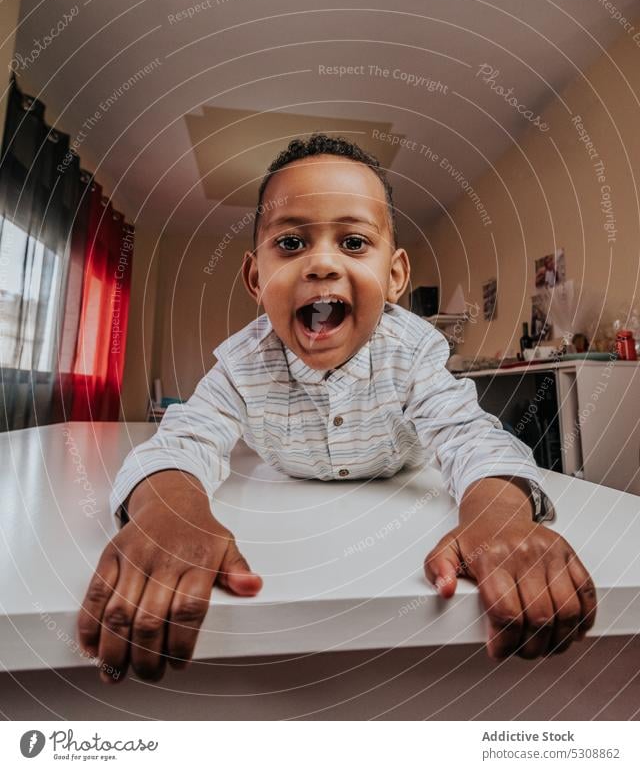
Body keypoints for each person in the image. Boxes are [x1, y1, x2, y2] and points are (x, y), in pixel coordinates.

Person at [77, 134, 596, 683]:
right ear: (257, 279)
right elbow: (187, 436)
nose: (321, 263)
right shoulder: (244, 363)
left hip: (396, 486)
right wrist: (169, 510)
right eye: (292, 243)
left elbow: (469, 435)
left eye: (352, 243)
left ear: (393, 277)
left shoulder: (411, 354)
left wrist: (498, 515)